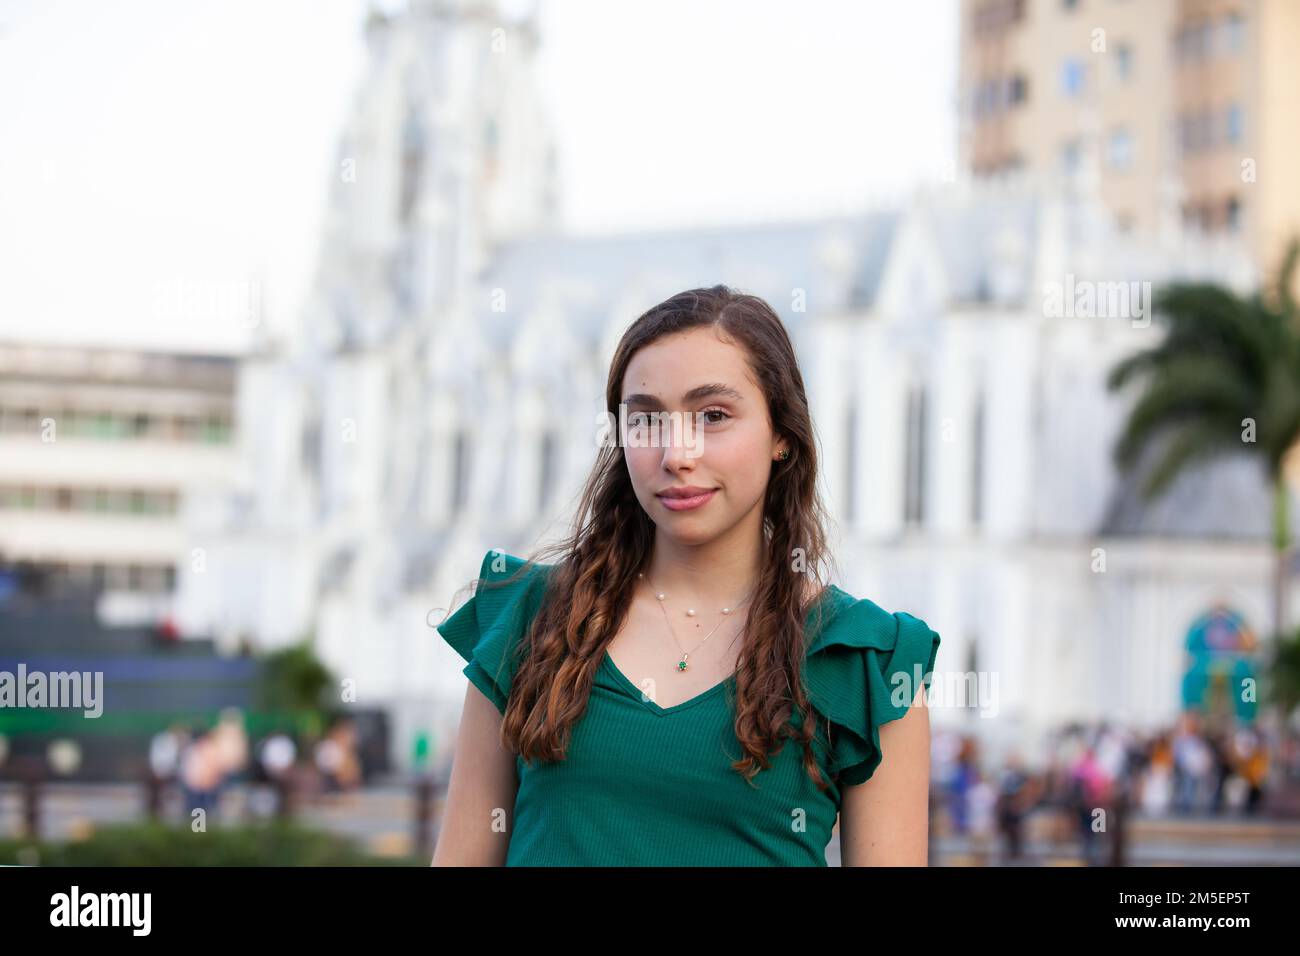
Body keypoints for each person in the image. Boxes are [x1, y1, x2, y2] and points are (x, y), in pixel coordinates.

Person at [431, 286, 941, 867]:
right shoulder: (525, 617)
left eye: (714, 415)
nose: (677, 452)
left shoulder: (863, 661)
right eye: (647, 419)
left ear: (781, 435)